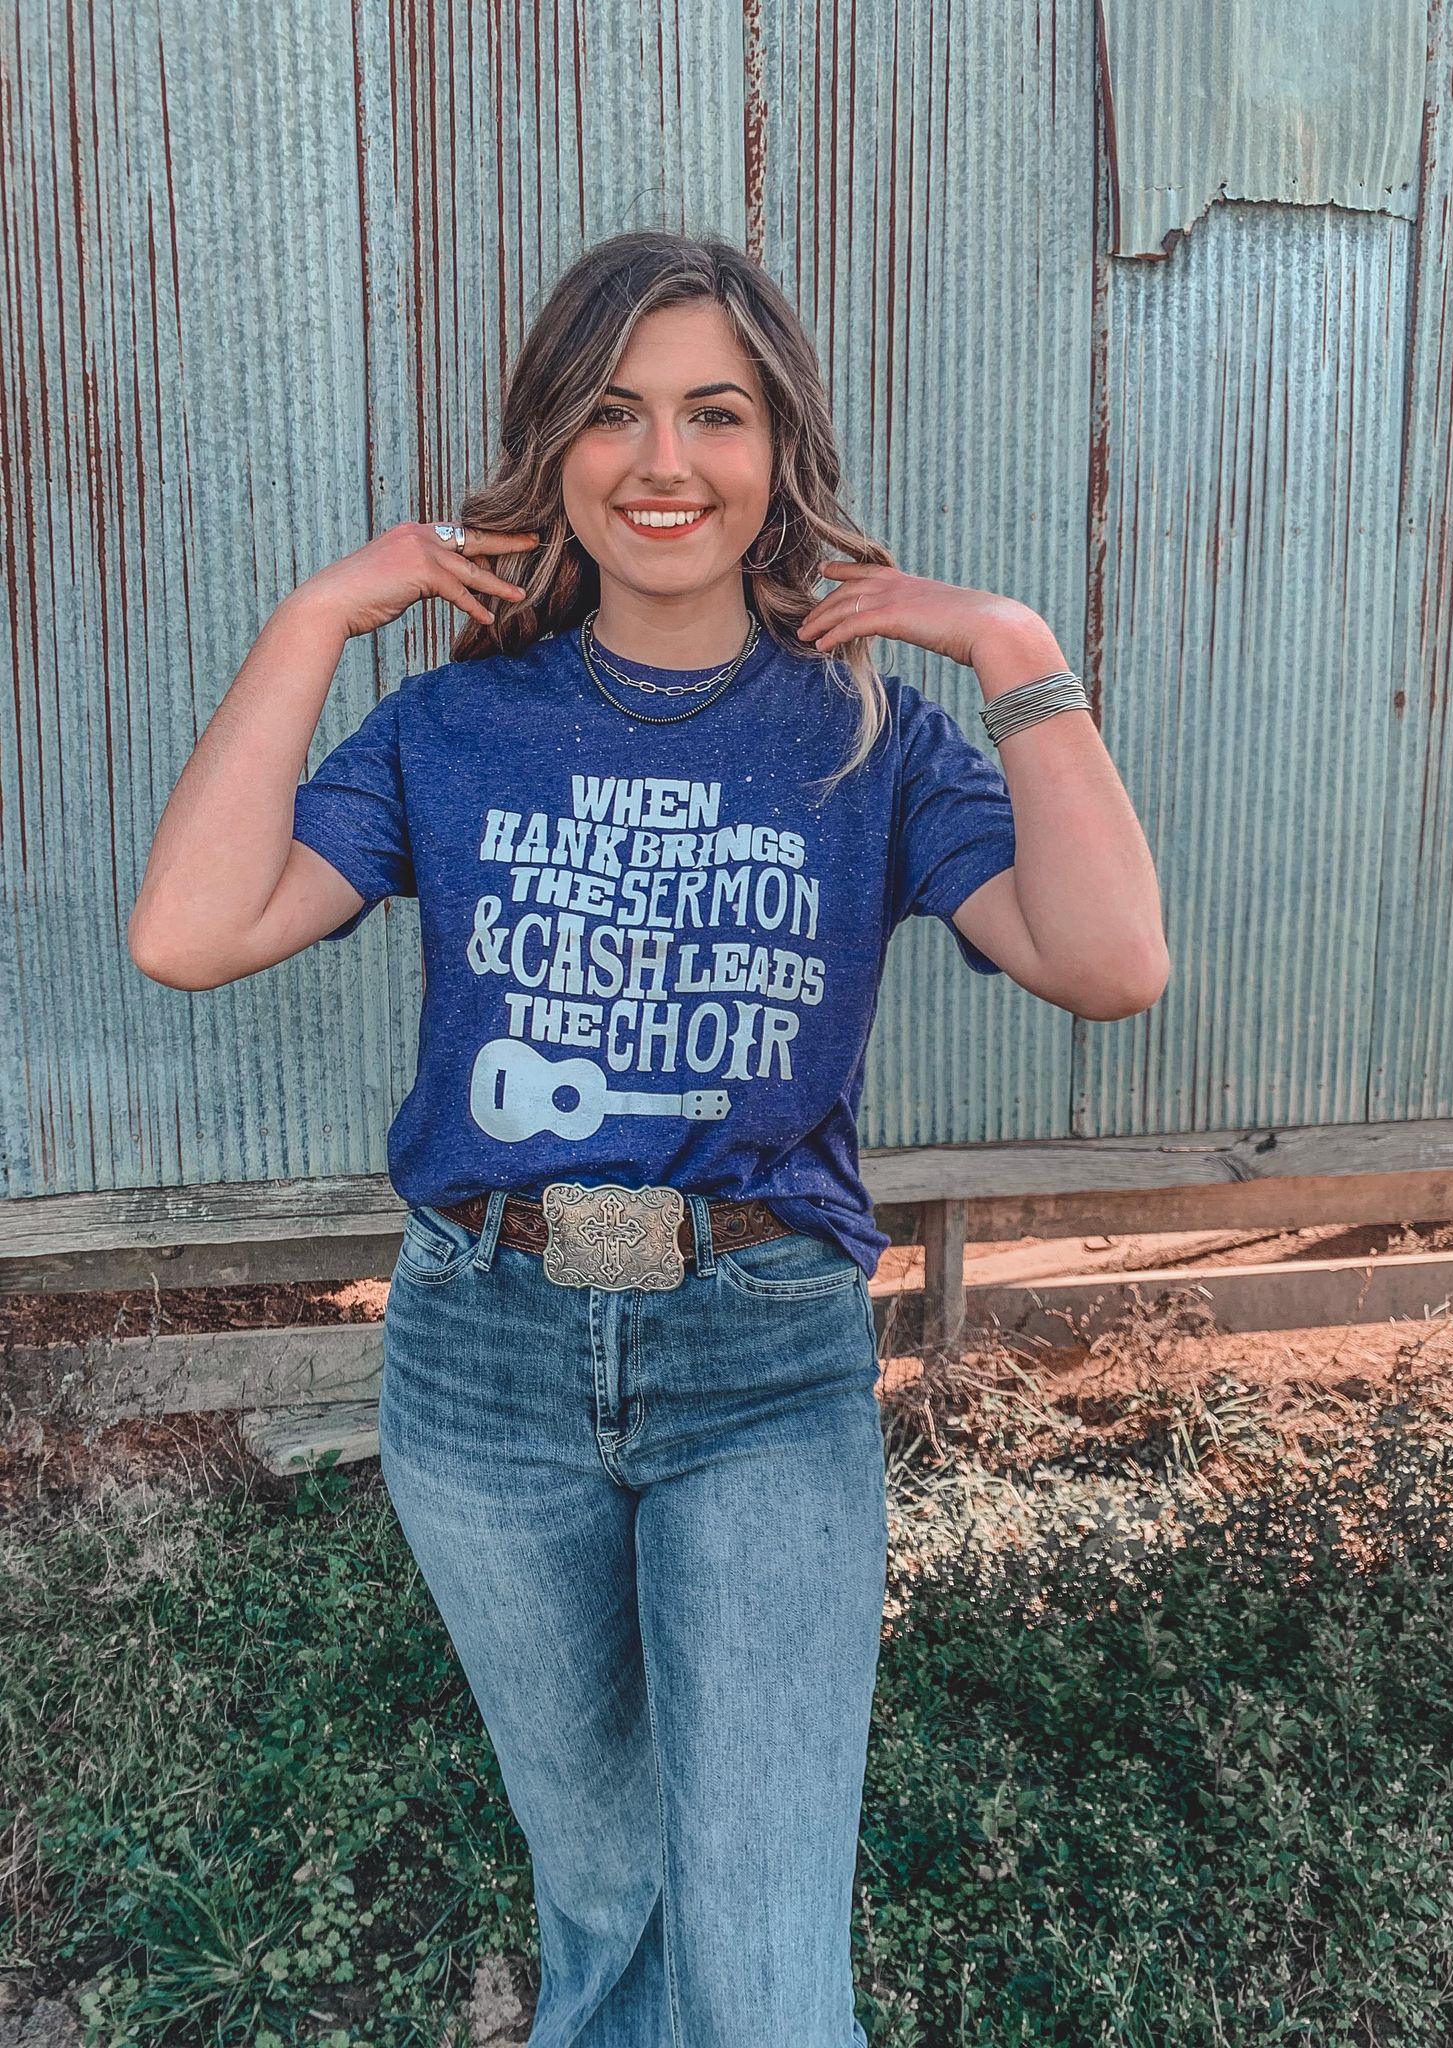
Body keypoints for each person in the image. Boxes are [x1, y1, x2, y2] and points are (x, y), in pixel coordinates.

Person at [128, 228, 1167, 2046]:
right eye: (614, 413)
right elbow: (189, 932)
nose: (664, 462)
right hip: (485, 1356)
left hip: (757, 1360)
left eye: (716, 413)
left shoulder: (872, 738)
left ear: (780, 457)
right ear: (556, 448)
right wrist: (319, 617)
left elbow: (1110, 962)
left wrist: (1016, 647)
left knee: (764, 1972)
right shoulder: (457, 722)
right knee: (603, 1890)